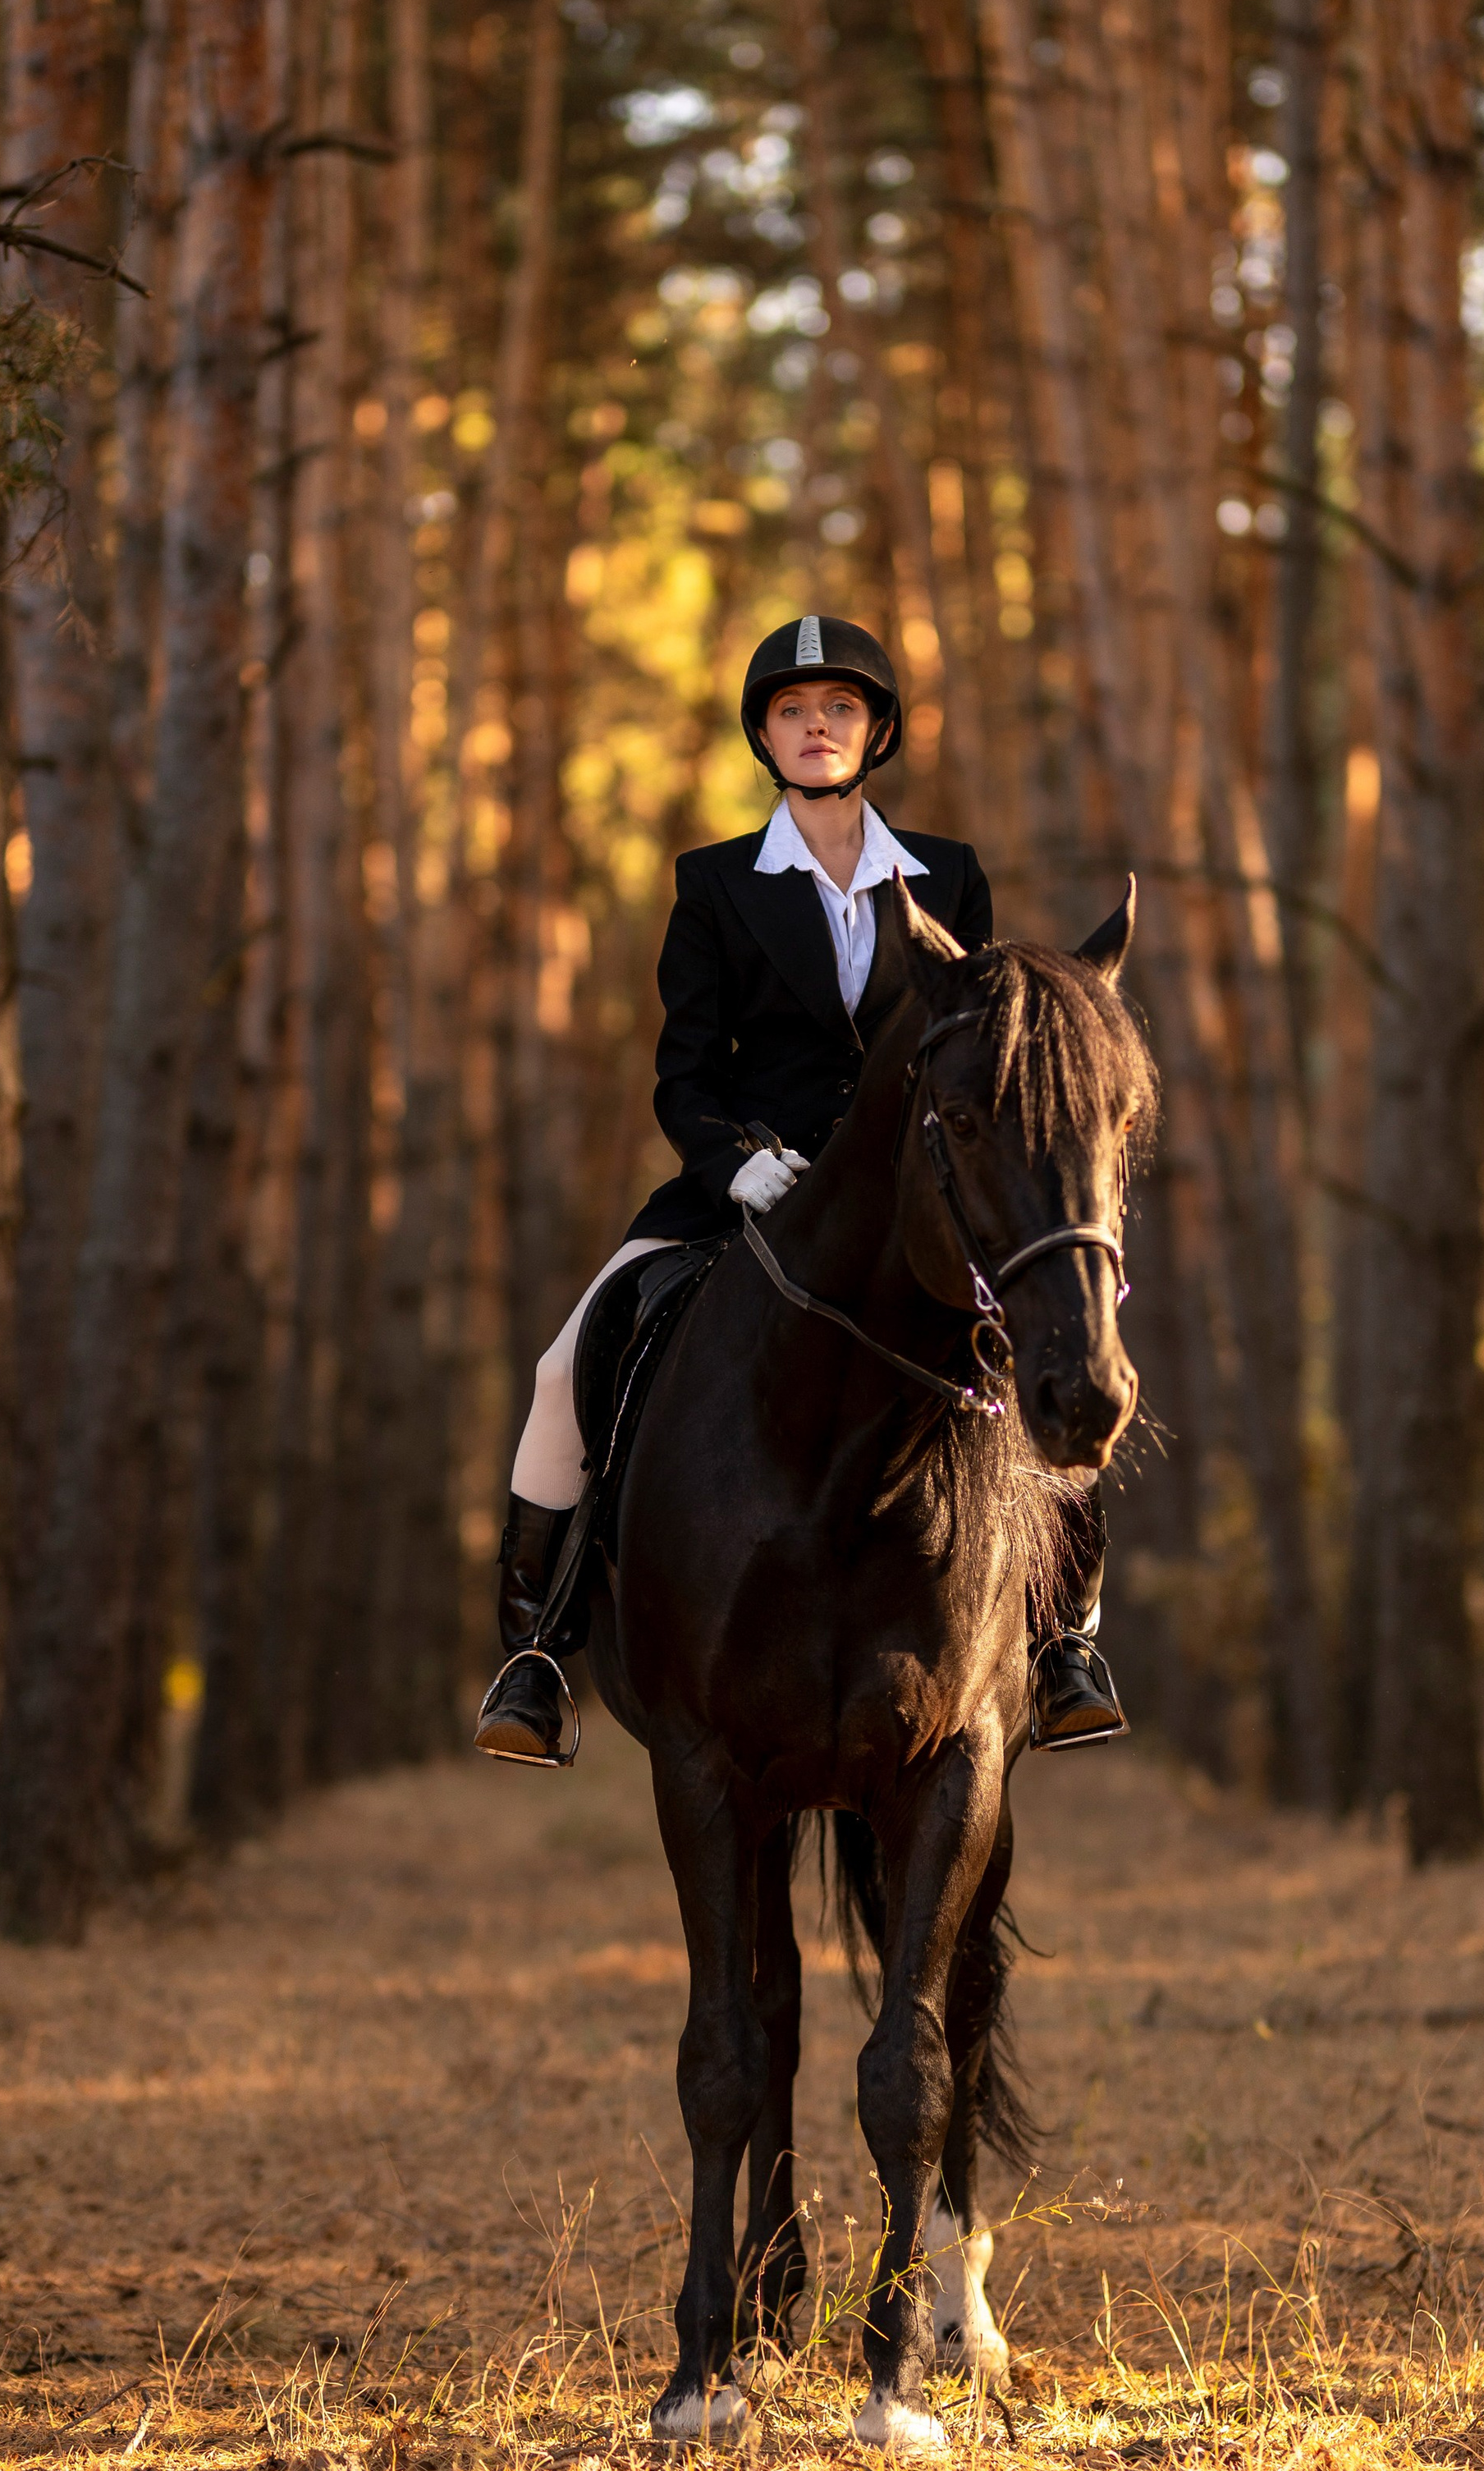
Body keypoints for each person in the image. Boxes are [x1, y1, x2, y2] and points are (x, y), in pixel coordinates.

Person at [474, 612, 1127, 1764]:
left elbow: (982, 1059)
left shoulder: (949, 876)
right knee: (563, 1366)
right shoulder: (715, 884)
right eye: (792, 711)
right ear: (764, 736)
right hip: (748, 1191)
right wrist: (737, 1161)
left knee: (1050, 1343)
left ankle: (1065, 1639)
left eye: (839, 709)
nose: (816, 726)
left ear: (876, 732)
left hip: (918, 1210)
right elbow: (684, 1074)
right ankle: (537, 1651)